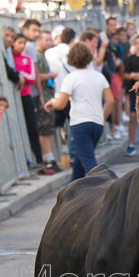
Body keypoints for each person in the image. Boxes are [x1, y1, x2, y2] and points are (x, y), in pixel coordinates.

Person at [44, 42, 114, 181]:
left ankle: (102, 190)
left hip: (80, 124)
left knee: (89, 163)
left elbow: (61, 103)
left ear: (71, 59)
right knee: (80, 161)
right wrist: (102, 118)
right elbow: (110, 101)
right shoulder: (98, 76)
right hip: (97, 124)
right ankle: (72, 190)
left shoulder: (71, 78)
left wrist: (51, 102)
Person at [11, 33, 42, 165]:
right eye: (19, 42)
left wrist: (19, 74)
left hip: (25, 96)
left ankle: (39, 159)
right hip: (13, 98)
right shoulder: (10, 58)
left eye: (24, 43)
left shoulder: (27, 58)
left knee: (32, 128)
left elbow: (31, 78)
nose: (22, 46)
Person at [35, 30, 59, 174]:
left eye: (50, 40)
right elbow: (38, 76)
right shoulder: (37, 56)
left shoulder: (43, 55)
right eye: (45, 40)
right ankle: (47, 160)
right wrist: (51, 75)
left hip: (49, 95)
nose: (48, 43)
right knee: (44, 129)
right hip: (44, 97)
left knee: (48, 129)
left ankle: (49, 158)